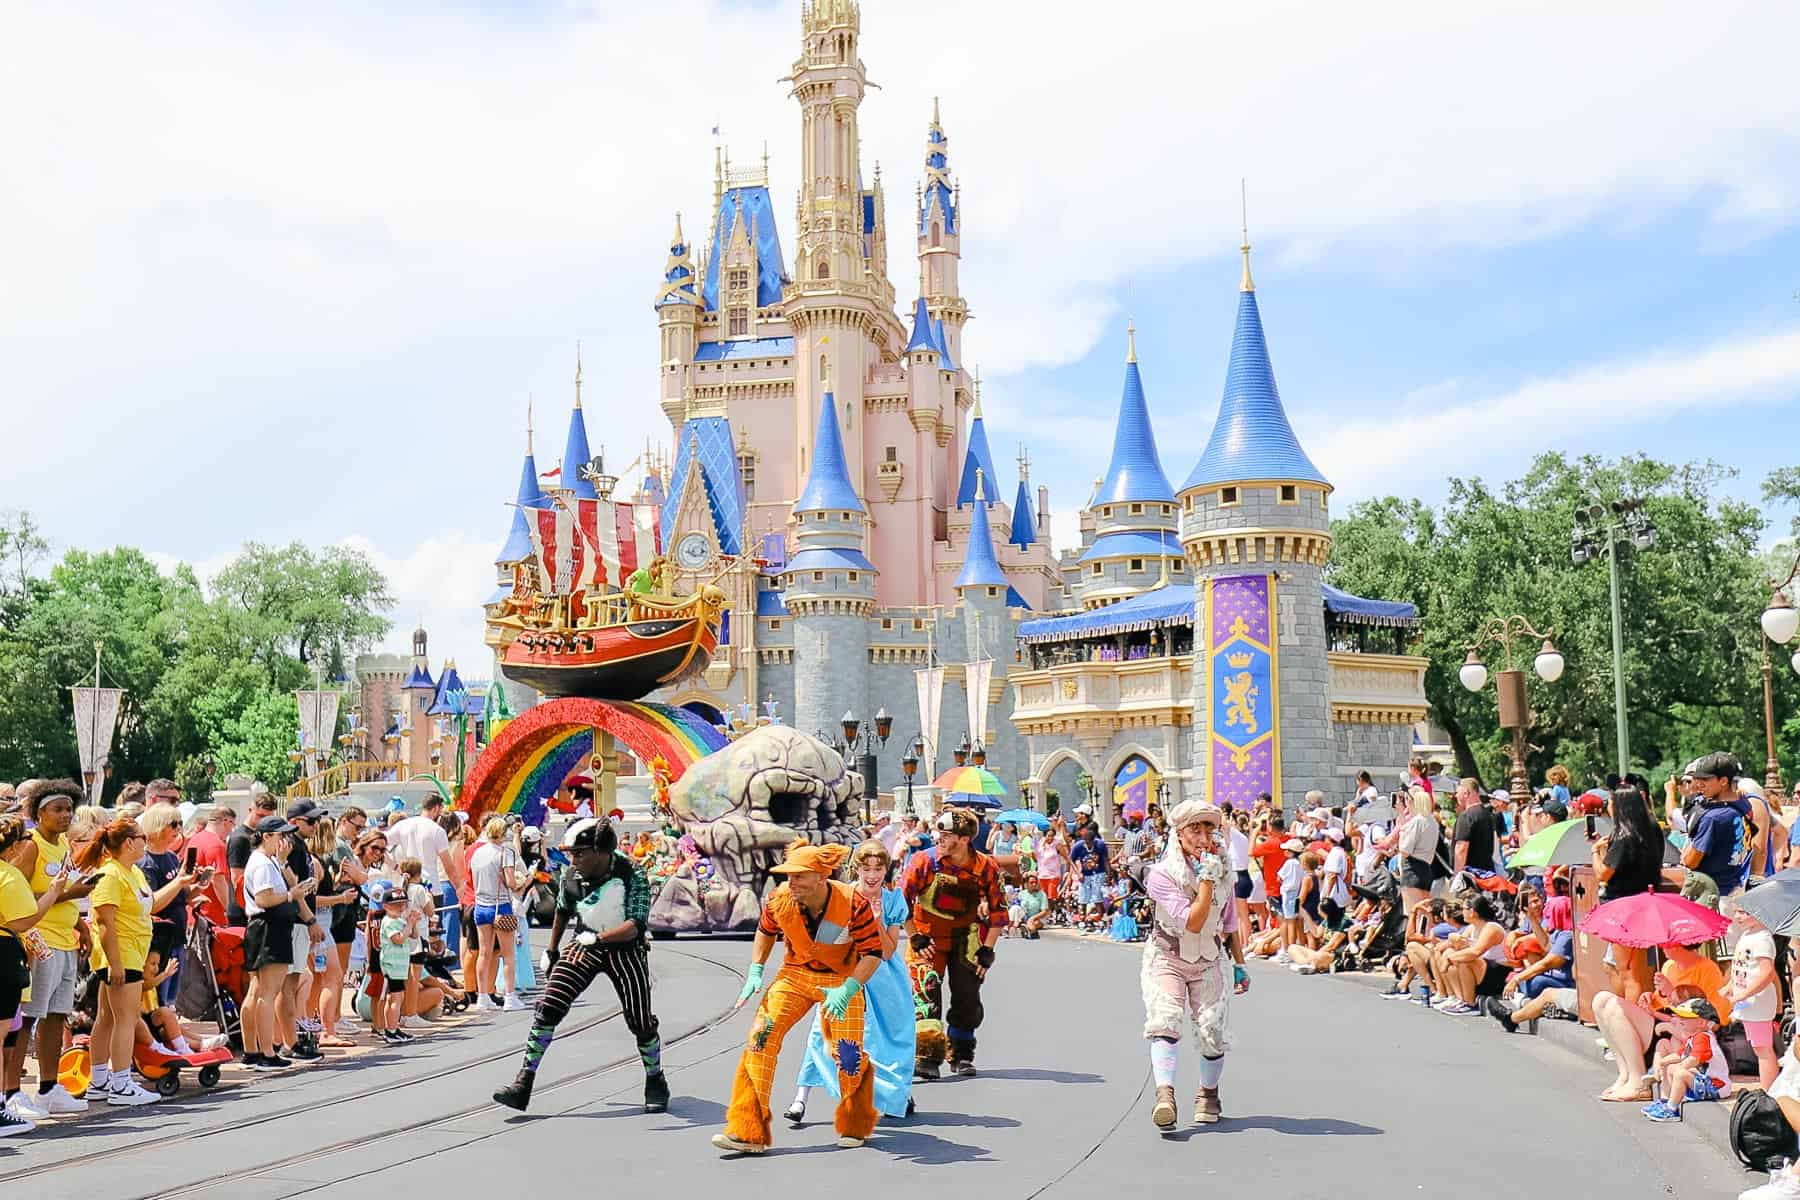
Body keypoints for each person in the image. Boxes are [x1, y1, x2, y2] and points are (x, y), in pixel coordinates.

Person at [713, 839, 882, 1155]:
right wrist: (755, 969)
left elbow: (873, 953)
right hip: (794, 976)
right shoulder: (779, 899)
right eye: (788, 876)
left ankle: (855, 1122)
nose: (791, 882)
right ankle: (748, 1131)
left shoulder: (853, 902)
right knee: (760, 1039)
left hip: (841, 979)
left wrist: (848, 989)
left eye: (798, 876)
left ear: (820, 876)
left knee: (847, 1054)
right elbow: (765, 930)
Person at [494, 818, 666, 1113]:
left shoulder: (631, 873)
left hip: (625, 949)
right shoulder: (571, 874)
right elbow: (562, 909)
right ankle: (524, 1080)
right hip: (583, 943)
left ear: (602, 851)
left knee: (639, 1019)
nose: (573, 859)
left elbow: (636, 925)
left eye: (580, 853)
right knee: (549, 1005)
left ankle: (655, 1078)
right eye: (571, 853)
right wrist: (552, 949)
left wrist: (599, 939)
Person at [788, 840, 914, 1124]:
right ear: (855, 869)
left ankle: (896, 1093)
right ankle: (800, 1098)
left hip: (883, 976)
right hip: (846, 972)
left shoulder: (894, 900)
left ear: (885, 870)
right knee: (822, 1031)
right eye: (866, 868)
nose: (872, 875)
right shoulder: (840, 897)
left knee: (889, 1037)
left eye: (878, 868)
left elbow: (888, 950)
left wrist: (874, 920)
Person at [1140, 801, 1242, 1131]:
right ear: (1179, 835)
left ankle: (1208, 1094)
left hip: (1209, 959)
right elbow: (1193, 922)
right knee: (1165, 1018)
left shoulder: (1225, 873)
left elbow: (1228, 923)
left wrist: (1240, 965)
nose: (1202, 837)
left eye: (1208, 829)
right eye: (1194, 830)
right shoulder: (1161, 875)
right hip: (1169, 957)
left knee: (1212, 1030)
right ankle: (1165, 1094)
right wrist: (1207, 879)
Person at [8, 781, 95, 1118]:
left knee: (57, 1016)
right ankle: (12, 1090)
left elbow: (65, 891)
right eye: (57, 809)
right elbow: (19, 896)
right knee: (29, 1017)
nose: (65, 815)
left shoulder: (63, 847)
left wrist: (81, 926)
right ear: (39, 813)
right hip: (39, 940)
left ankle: (48, 1087)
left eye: (68, 809)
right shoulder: (32, 847)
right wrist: (69, 895)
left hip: (64, 939)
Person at [900, 807, 1008, 1078]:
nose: (939, 839)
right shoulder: (923, 862)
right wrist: (914, 935)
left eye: (946, 835)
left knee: (967, 998)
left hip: (966, 938)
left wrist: (987, 950)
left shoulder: (986, 867)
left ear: (964, 839)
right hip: (926, 938)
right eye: (938, 833)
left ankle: (960, 1054)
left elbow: (998, 912)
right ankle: (926, 1055)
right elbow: (900, 903)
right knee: (925, 995)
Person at [77, 817, 162, 1104]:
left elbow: (148, 904)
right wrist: (114, 963)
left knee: (109, 1017)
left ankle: (100, 1081)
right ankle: (121, 1084)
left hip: (131, 952)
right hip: (121, 954)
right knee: (125, 1018)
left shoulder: (132, 872)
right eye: (142, 838)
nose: (144, 843)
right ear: (129, 843)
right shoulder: (111, 874)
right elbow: (104, 922)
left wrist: (183, 883)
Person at [1592, 937, 1728, 1102]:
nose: (1660, 945)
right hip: (1662, 1025)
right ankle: (1625, 1074)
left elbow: (1715, 1019)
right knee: (1601, 1000)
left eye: (1665, 941)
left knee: (1614, 1006)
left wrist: (1672, 992)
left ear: (1678, 944)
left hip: (1681, 1036)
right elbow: (1660, 1003)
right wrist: (1649, 998)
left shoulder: (1707, 969)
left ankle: (1638, 1081)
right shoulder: (1669, 966)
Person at [0, 813, 70, 1131]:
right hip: (4, 953)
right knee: (3, 1036)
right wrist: (54, 892)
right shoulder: (9, 876)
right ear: (14, 847)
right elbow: (22, 921)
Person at [241, 815, 310, 1071]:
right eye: (280, 835)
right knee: (267, 993)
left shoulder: (267, 861)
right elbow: (264, 899)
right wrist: (292, 894)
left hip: (266, 928)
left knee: (258, 991)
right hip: (269, 928)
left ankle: (252, 1050)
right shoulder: (261, 863)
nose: (285, 840)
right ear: (267, 836)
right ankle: (266, 1051)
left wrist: (283, 866)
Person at [387, 794, 464, 960]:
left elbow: (381, 843)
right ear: (436, 808)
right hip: (431, 887)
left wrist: (395, 866)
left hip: (407, 885)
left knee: (409, 929)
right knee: (433, 935)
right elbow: (449, 866)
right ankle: (431, 973)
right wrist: (459, 888)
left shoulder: (404, 825)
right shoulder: (436, 830)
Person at [469, 816, 527, 1012]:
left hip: (480, 906)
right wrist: (521, 881)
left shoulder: (477, 853)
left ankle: (482, 996)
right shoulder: (505, 852)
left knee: (484, 953)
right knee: (508, 954)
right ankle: (510, 996)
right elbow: (511, 882)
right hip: (500, 905)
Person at [1643, 998, 1731, 1122]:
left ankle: (1671, 1109)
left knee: (1680, 1073)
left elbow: (1694, 1059)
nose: (1680, 1020)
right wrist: (1662, 1062)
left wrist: (1680, 1068)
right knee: (1671, 1068)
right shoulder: (1693, 1038)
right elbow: (1680, 1055)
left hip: (1715, 1086)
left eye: (1685, 1017)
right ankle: (1665, 1101)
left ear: (1701, 1022)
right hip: (1703, 1082)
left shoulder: (1703, 1037)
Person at [1722, 907, 1782, 1090]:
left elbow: (1767, 973)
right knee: (1759, 1047)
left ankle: (1768, 1090)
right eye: (1737, 911)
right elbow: (1742, 967)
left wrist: (1745, 993)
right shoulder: (1747, 935)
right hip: (1748, 1001)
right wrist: (1731, 986)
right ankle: (1768, 1090)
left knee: (1763, 1048)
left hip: (1757, 1001)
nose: (1737, 916)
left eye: (1744, 912)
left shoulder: (1763, 939)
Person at [1683, 752, 1753, 897]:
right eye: (1697, 778)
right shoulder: (1744, 804)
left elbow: (1690, 862)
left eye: (1706, 779)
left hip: (1713, 896)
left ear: (1723, 781)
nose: (1698, 784)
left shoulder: (1712, 818)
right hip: (1737, 887)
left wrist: (1685, 853)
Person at [226, 791, 279, 925]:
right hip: (243, 912)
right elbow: (237, 880)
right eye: (260, 816)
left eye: (267, 817)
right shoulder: (240, 838)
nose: (263, 821)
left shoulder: (260, 835)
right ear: (250, 810)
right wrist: (249, 909)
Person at [185, 806, 235, 929]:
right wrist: (230, 911)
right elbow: (218, 881)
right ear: (226, 822)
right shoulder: (216, 845)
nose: (231, 830)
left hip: (193, 913)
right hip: (211, 917)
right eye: (232, 824)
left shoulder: (194, 839)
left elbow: (188, 873)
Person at [1451, 778, 1498, 873]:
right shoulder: (1487, 814)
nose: (1456, 796)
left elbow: (1461, 848)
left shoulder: (1466, 817)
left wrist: (1457, 876)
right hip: (1487, 873)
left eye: (1457, 792)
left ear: (1465, 793)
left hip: (1471, 875)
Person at [1071, 824, 1109, 909]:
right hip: (1085, 874)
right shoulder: (1078, 846)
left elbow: (1106, 860)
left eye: (1089, 842)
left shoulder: (1100, 844)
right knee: (1083, 898)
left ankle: (1100, 917)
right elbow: (1071, 860)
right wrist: (1078, 873)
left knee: (1097, 897)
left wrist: (1108, 875)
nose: (1087, 844)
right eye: (1086, 842)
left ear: (1093, 840)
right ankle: (1082, 918)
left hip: (1099, 872)